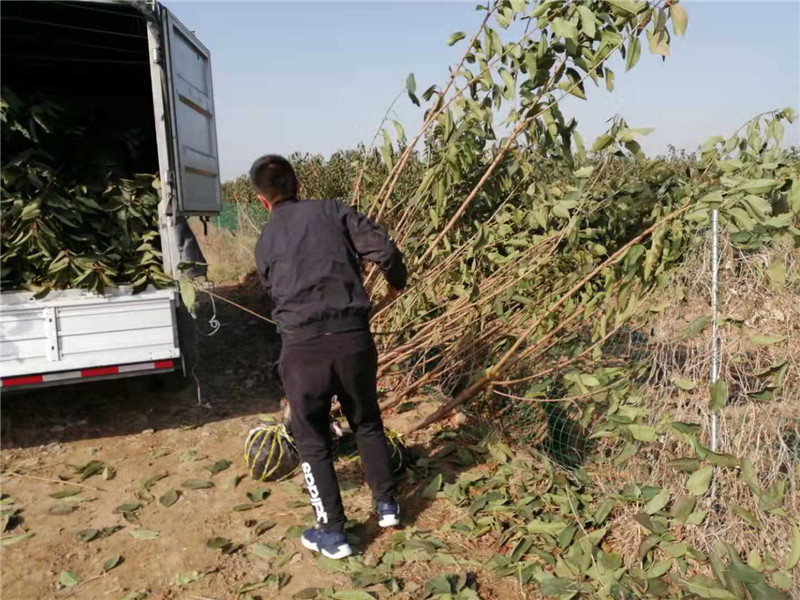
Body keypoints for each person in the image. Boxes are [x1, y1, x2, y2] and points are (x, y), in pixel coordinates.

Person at [251, 154, 407, 560]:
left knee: (313, 440)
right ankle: (387, 506)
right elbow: (386, 251)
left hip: (303, 350)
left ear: (262, 201)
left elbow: (274, 290)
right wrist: (396, 286)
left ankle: (333, 532)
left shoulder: (265, 240)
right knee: (367, 421)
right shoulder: (332, 212)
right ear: (298, 185)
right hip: (353, 339)